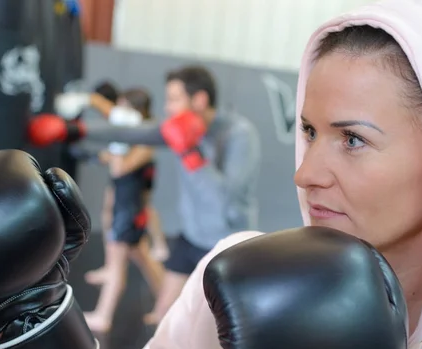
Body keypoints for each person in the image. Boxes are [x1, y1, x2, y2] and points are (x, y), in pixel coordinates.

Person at [0, 0, 422, 349]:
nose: (307, 173)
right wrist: (33, 329)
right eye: (309, 131)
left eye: (354, 139)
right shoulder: (234, 272)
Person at [48, 65, 262, 324]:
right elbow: (132, 132)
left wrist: (189, 152)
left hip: (226, 246)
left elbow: (224, 198)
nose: (168, 108)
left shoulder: (239, 135)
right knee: (164, 317)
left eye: (174, 99)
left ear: (199, 100)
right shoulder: (179, 128)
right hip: (191, 237)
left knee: (217, 331)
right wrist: (74, 130)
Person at [82, 87, 167, 333]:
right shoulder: (132, 134)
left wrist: (116, 147)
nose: (118, 112)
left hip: (130, 208)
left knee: (118, 263)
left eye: (123, 107)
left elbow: (121, 168)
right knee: (142, 257)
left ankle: (103, 316)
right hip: (124, 204)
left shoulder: (145, 140)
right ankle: (170, 305)